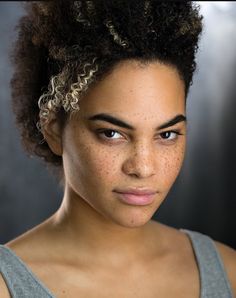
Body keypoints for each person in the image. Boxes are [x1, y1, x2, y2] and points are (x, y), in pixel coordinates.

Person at [0, 1, 235, 297]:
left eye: (167, 134)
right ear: (53, 130)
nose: (144, 167)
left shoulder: (228, 273)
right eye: (112, 133)